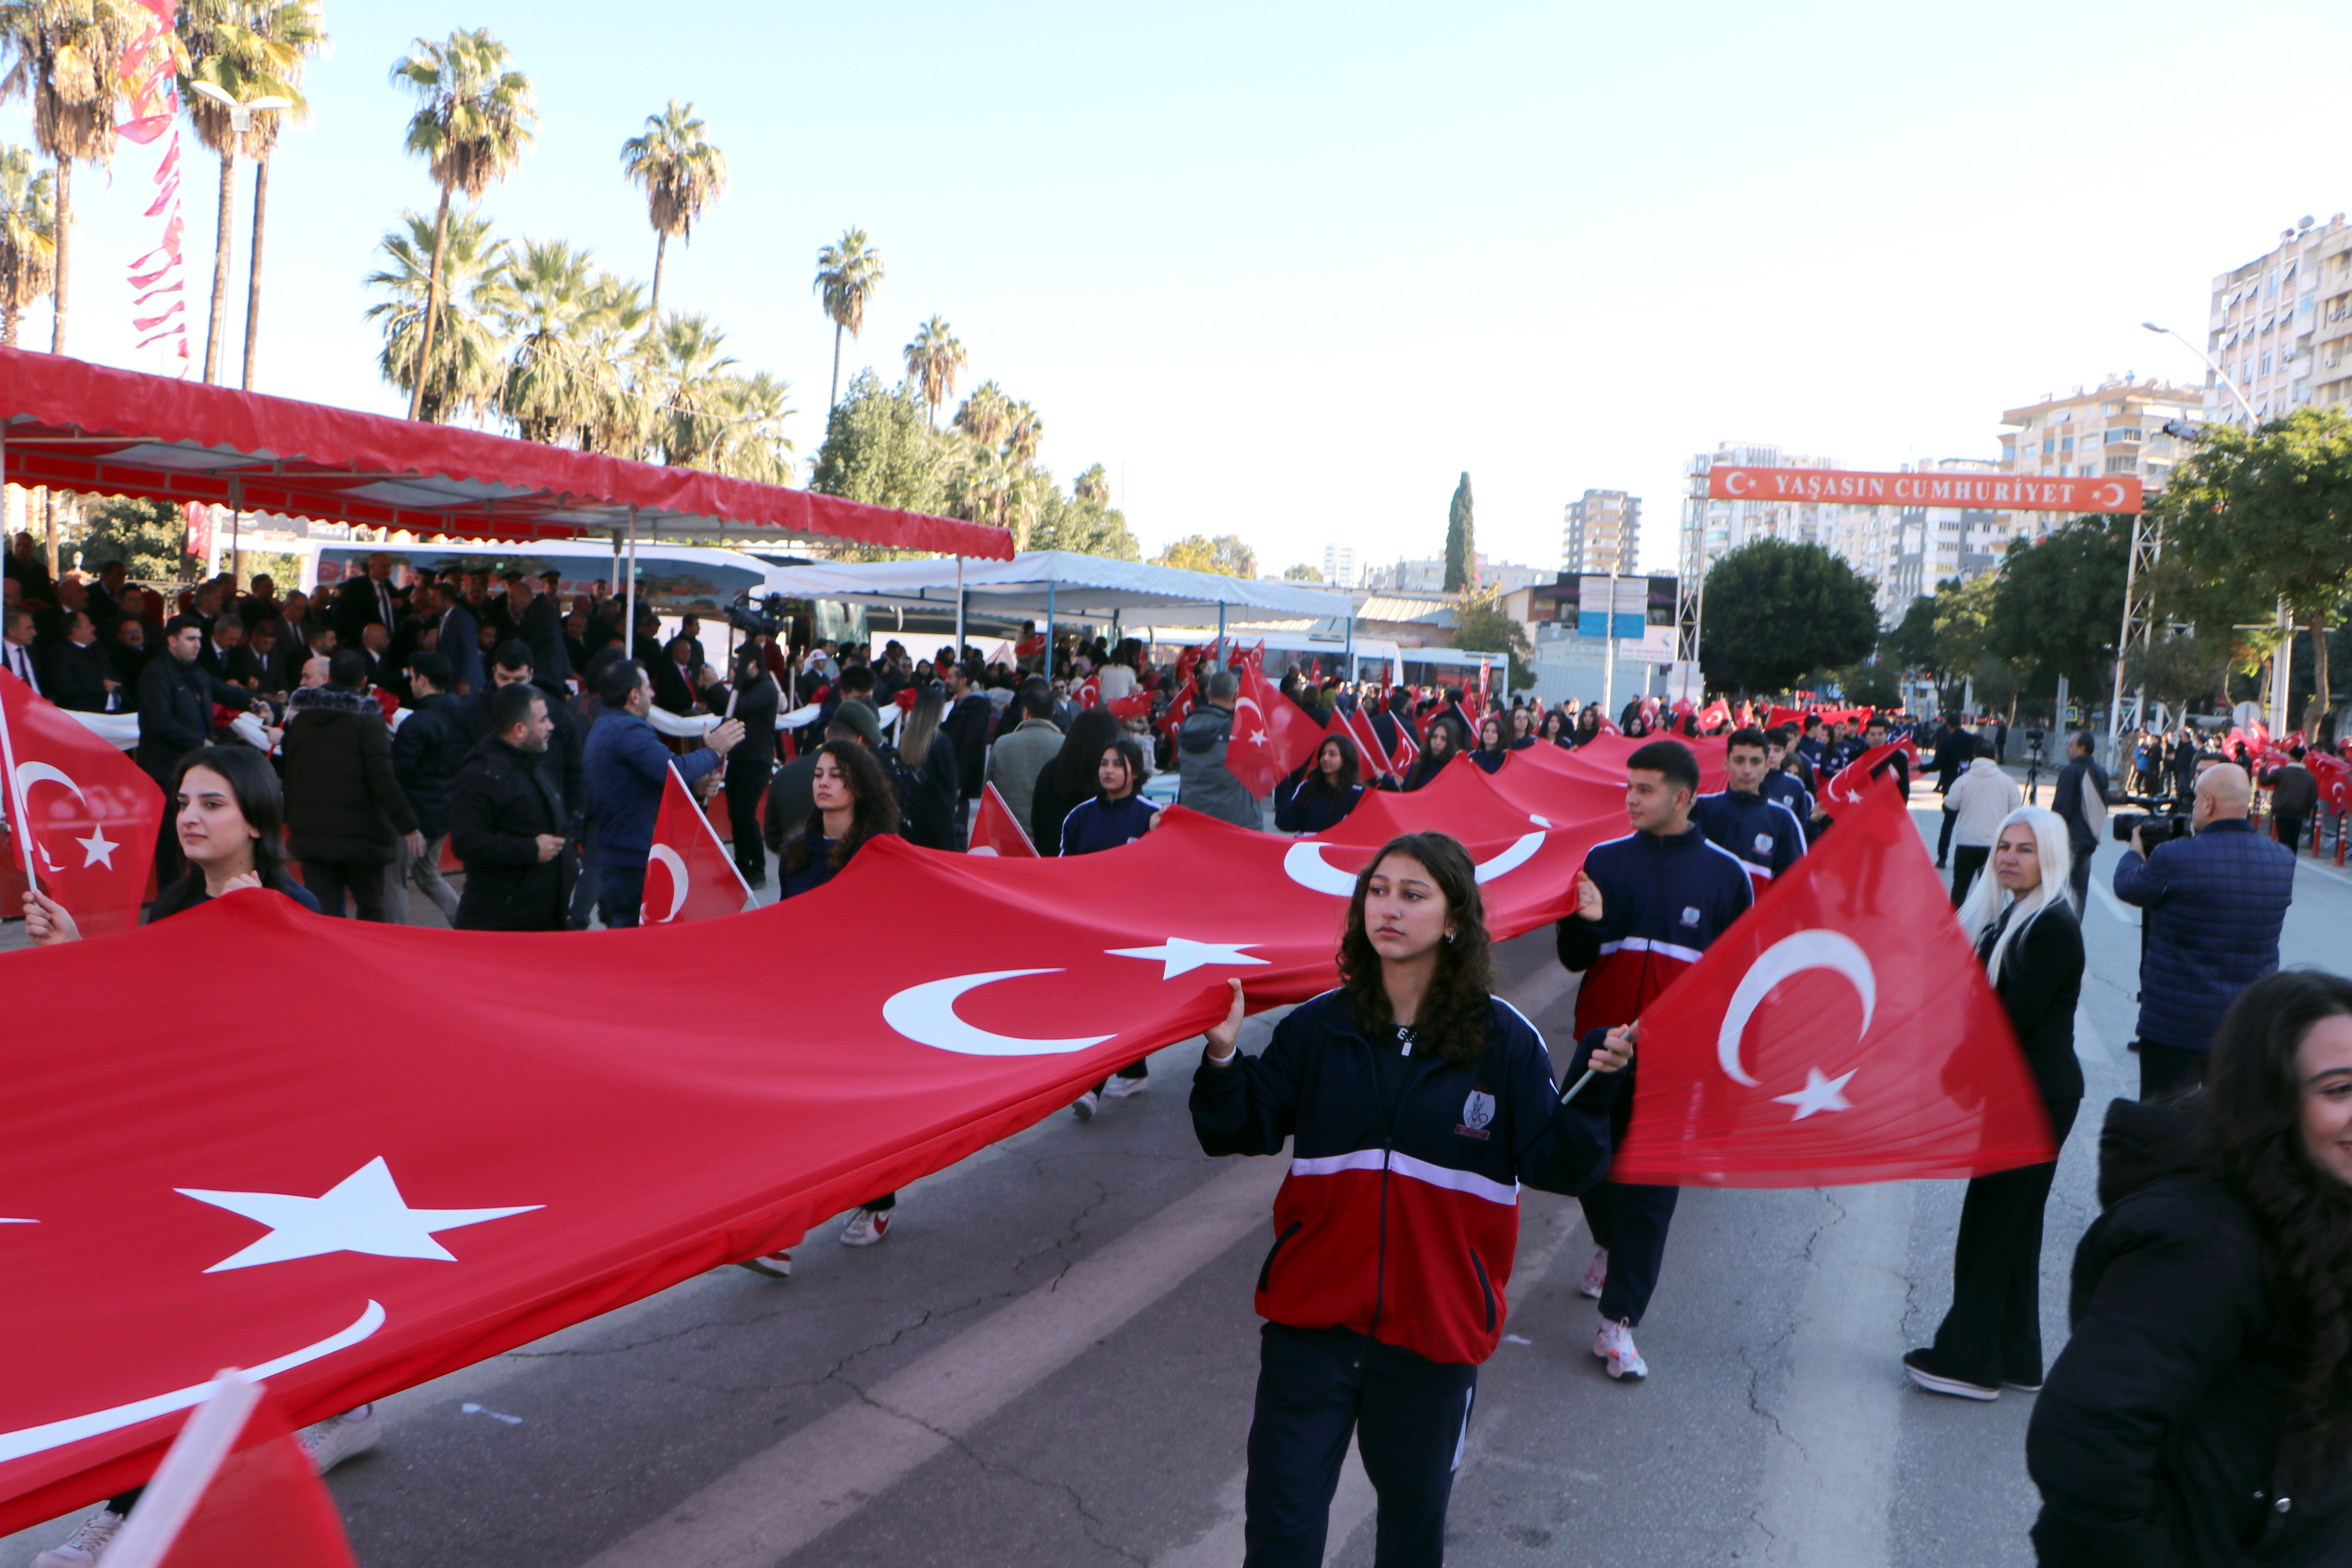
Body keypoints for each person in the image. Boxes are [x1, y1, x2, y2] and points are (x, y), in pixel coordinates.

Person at [1192, 831, 1633, 1567]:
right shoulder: (1318, 1027)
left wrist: (1599, 1090)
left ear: (1455, 919)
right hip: (1311, 1330)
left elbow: (1562, 1165)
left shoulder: (1505, 1043)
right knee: (1281, 1534)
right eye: (1378, 891)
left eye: (1412, 894)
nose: (1387, 909)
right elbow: (1239, 1126)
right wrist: (1221, 1056)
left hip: (1434, 1339)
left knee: (1409, 1540)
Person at [22, 747, 381, 1568]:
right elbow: (141, 1029)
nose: (189, 816)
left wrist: (259, 938)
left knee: (260, 1318)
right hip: (185, 1161)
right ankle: (133, 1509)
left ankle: (338, 1409)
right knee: (180, 1335)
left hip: (271, 1162)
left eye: (211, 802)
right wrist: (75, 948)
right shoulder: (175, 905)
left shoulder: (293, 907)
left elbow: (319, 1039)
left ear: (254, 819)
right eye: (184, 800)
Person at [2026, 971, 2352, 1564]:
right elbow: (2087, 1441)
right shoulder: (2205, 1242)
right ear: (2273, 1100)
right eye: (2338, 1090)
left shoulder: (2326, 1199)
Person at [1555, 739, 1753, 1379]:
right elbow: (1574, 958)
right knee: (1576, 1160)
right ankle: (1609, 1242)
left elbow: (1735, 980)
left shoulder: (1728, 876)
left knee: (1650, 1192)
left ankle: (1619, 1325)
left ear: (1683, 798)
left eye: (1645, 790)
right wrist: (1585, 923)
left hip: (1673, 1062)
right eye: (1629, 787)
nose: (1631, 799)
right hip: (1600, 1044)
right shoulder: (1603, 861)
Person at [1904, 807, 2084, 1401]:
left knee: (1992, 1228)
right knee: (2013, 1226)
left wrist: (1951, 1071)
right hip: (2024, 1093)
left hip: (2034, 1096)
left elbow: (2012, 1019)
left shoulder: (2051, 925)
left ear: (2050, 857)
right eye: (2004, 846)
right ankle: (2018, 1358)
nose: (2008, 857)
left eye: (2024, 849)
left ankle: (1971, 1361)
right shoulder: (2021, 915)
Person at [737, 740, 906, 1279]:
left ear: (859, 787)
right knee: (797, 1118)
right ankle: (779, 1230)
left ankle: (877, 1201)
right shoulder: (795, 852)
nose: (824, 782)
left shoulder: (883, 852)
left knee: (860, 1117)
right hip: (807, 1006)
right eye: (820, 774)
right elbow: (790, 928)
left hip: (866, 1008)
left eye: (837, 775)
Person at [2112, 762, 2297, 1100]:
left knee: (2166, 1129)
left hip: (2175, 1027)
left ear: (2209, 804)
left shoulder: (2176, 857)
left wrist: (2135, 853)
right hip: (2247, 1024)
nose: (2194, 807)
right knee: (2231, 1129)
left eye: (2196, 801)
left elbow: (2128, 887)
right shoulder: (2282, 859)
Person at [581, 659, 742, 927]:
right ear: (634, 695)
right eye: (648, 688)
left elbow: (644, 783)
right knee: (638, 951)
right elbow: (674, 770)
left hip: (619, 855)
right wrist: (714, 751)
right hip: (632, 861)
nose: (653, 694)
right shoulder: (627, 729)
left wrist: (696, 787)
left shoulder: (608, 725)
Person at [1061, 735, 1165, 1120]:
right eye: (1104, 763)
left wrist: (1164, 827)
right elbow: (1062, 871)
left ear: (1134, 772)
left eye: (1117, 764)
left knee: (1111, 1007)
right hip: (1089, 929)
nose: (1108, 770)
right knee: (1102, 1005)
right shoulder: (1080, 816)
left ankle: (1092, 1086)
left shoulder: (1152, 815)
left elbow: (1174, 870)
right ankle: (1134, 1070)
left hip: (1135, 934)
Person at [281, 649, 423, 922]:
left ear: (329, 677)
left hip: (313, 835)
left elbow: (292, 776)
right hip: (362, 838)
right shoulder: (368, 720)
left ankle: (327, 965)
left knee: (324, 916)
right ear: (363, 682)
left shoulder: (302, 721)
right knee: (372, 911)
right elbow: (383, 779)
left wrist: (291, 823)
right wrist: (409, 827)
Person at [448, 680, 574, 931]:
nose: (551, 726)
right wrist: (530, 849)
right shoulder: (482, 775)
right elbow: (467, 841)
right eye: (543, 720)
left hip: (543, 917)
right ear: (519, 730)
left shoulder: (532, 762)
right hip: (504, 923)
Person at [387, 651, 466, 923]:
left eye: (412, 677)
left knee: (395, 879)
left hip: (415, 819)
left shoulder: (416, 724)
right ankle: (466, 922)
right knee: (427, 873)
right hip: (446, 811)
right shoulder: (461, 715)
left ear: (422, 679)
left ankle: (395, 939)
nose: (410, 683)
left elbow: (399, 771)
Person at [1691, 726, 1807, 891]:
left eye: (1755, 762)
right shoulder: (1700, 809)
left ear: (1767, 766)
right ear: (1726, 763)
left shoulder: (1783, 820)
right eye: (1739, 761)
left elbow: (1796, 886)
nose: (1747, 770)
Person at [719, 646, 782, 885]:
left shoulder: (766, 689)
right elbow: (724, 710)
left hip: (757, 760)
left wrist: (717, 687)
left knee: (745, 813)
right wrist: (712, 689)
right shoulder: (747, 688)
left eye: (739, 664)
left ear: (752, 665)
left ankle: (758, 868)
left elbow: (736, 707)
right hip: (739, 756)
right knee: (735, 814)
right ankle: (741, 864)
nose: (735, 669)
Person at [1944, 735, 2025, 911]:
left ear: (1974, 756)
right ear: (1995, 758)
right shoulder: (2008, 782)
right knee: (1992, 890)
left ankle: (1953, 926)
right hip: (1995, 845)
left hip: (1967, 842)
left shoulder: (1964, 780)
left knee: (1960, 887)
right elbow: (2017, 813)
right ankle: (1991, 927)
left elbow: (1949, 806)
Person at [1031, 708, 1125, 853]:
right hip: (1096, 867)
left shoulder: (1050, 771)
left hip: (1053, 863)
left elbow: (1038, 824)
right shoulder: (1113, 780)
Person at [1177, 670, 1261, 829]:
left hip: (1193, 819)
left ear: (1208, 693)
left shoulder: (1187, 725)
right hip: (1234, 823)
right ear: (1237, 696)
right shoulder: (1241, 730)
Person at [886, 684, 961, 852]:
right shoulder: (941, 742)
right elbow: (950, 783)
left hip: (912, 819)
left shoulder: (907, 739)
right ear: (936, 712)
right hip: (938, 823)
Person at [984, 680, 1063, 835]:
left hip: (1008, 834)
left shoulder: (1002, 745)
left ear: (1025, 712)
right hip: (1051, 835)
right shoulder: (1066, 745)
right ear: (1053, 712)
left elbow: (987, 790)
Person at [2047, 730, 2112, 909]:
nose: (2067, 748)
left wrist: (2052, 834)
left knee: (2060, 891)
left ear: (2082, 749)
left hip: (2070, 839)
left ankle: (2062, 931)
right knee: (2079, 891)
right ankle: (2075, 929)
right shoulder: (2101, 772)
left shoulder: (2072, 771)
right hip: (2089, 838)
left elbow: (2062, 808)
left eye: (2071, 745)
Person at [1275, 733, 1367, 835]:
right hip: (1307, 849)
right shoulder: (1307, 787)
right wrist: (1282, 780)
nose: (1326, 758)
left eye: (1332, 754)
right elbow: (1286, 823)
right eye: (1323, 754)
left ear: (1346, 759)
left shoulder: (1358, 795)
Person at [1927, 714, 1976, 869]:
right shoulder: (1975, 740)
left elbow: (1936, 766)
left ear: (1949, 726)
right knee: (1971, 823)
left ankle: (1942, 857)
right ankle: (1971, 859)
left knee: (1948, 823)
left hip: (1951, 787)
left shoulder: (1948, 743)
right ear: (1961, 723)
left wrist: (1919, 768)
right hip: (1972, 787)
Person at [2270, 744, 2319, 855]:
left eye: (2289, 756)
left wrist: (2264, 768)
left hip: (2282, 810)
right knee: (2294, 840)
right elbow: (2313, 797)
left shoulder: (2282, 772)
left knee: (2282, 839)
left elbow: (2265, 781)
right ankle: (2292, 860)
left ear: (2294, 758)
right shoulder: (2310, 776)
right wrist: (2306, 811)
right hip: (2299, 813)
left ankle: (2282, 861)